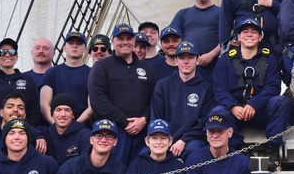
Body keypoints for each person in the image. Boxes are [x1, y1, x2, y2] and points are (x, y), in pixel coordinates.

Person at [213, 17, 290, 153]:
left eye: (254, 32)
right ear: (238, 37)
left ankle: (272, 147)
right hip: (235, 113)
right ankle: (235, 148)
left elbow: (273, 87)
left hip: (260, 111)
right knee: (218, 112)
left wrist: (254, 104)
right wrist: (233, 106)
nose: (249, 34)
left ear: (260, 37)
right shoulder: (224, 61)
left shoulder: (270, 59)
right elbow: (220, 90)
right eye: (245, 31)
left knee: (282, 102)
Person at [88, 23, 158, 164]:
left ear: (134, 41)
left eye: (128, 38)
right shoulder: (101, 67)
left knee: (141, 173)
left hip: (142, 132)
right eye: (120, 38)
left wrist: (144, 119)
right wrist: (124, 122)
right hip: (113, 133)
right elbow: (98, 100)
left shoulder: (147, 69)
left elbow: (154, 99)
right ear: (113, 41)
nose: (125, 42)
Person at [151, 42, 215, 157]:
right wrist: (165, 141)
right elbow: (156, 118)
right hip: (164, 139)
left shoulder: (206, 88)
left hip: (192, 141)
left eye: (190, 57)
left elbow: (204, 122)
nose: (186, 62)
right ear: (176, 61)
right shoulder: (163, 85)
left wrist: (183, 140)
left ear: (197, 60)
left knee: (196, 151)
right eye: (181, 57)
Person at [169, 0, 221, 81]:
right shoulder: (183, 14)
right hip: (187, 68)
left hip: (215, 66)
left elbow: (229, 38)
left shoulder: (221, 12)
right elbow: (171, 38)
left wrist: (212, 54)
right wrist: (187, 57)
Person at [40, 30, 92, 125]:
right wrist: (55, 124)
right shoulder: (51, 72)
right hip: (55, 128)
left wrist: (75, 125)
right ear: (64, 48)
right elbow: (44, 105)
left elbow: (92, 106)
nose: (75, 46)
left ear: (86, 49)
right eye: (71, 43)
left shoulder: (92, 73)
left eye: (79, 43)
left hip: (82, 128)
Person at [44, 94, 92, 165]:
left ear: (73, 115)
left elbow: (85, 164)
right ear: (52, 114)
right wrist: (38, 136)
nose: (63, 114)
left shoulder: (84, 135)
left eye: (67, 110)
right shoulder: (46, 134)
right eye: (58, 110)